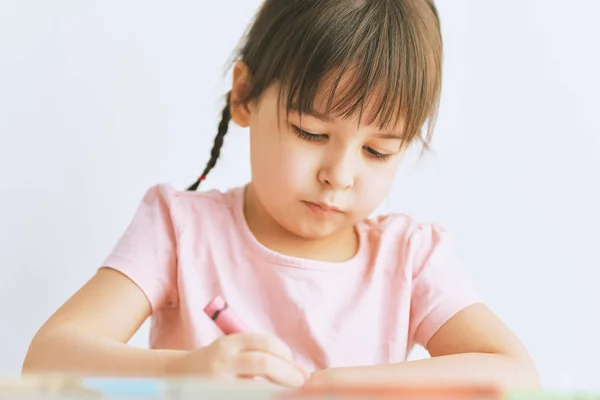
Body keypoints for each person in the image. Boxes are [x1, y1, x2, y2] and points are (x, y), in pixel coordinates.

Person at [23, 0, 539, 390]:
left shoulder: (410, 257)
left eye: (378, 152)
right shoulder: (178, 229)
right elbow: (47, 357)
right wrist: (190, 372)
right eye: (311, 134)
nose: (339, 175)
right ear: (244, 95)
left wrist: (337, 386)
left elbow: (514, 377)